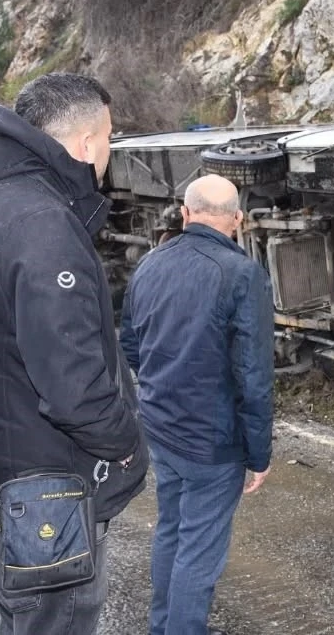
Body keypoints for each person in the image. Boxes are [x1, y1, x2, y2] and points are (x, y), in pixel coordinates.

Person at [0, 72, 149, 634]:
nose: (108, 152)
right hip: (51, 498)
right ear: (83, 144)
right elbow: (73, 388)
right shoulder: (43, 224)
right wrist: (127, 446)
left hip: (6, 488)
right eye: (108, 137)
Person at [120, 174, 274, 635]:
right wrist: (259, 453)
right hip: (211, 442)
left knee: (171, 528)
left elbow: (130, 341)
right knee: (199, 553)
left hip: (160, 428)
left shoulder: (150, 263)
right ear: (238, 221)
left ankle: (163, 625)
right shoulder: (243, 274)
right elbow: (253, 374)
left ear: (186, 214)